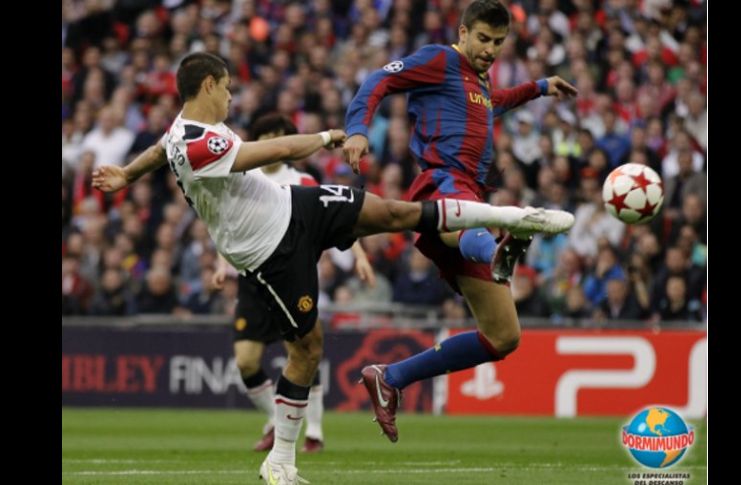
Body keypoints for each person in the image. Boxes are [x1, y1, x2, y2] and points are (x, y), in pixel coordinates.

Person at [93, 52, 572, 484]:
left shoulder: (179, 132)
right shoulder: (199, 145)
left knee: (393, 213)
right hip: (268, 250)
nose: (232, 97)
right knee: (308, 349)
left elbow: (159, 150)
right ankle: (280, 461)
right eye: (228, 88)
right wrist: (324, 136)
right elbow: (276, 151)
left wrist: (126, 174)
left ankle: (511, 219)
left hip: (295, 205)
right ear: (209, 87)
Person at [342, 0, 578, 444]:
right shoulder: (440, 59)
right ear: (464, 33)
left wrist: (541, 87)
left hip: (469, 197)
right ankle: (496, 248)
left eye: (498, 42)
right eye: (483, 39)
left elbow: (496, 102)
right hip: (441, 183)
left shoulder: (480, 82)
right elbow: (380, 79)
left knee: (504, 336)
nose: (490, 49)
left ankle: (389, 376)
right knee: (465, 222)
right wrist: (357, 127)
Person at [211, 113, 376, 454]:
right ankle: (277, 420)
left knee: (300, 350)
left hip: (290, 271)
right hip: (252, 277)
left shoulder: (302, 179)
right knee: (246, 361)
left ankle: (313, 431)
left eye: (279, 135)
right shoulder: (243, 174)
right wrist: (219, 263)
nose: (274, 141)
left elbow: (337, 214)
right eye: (267, 135)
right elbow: (228, 222)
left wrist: (359, 254)